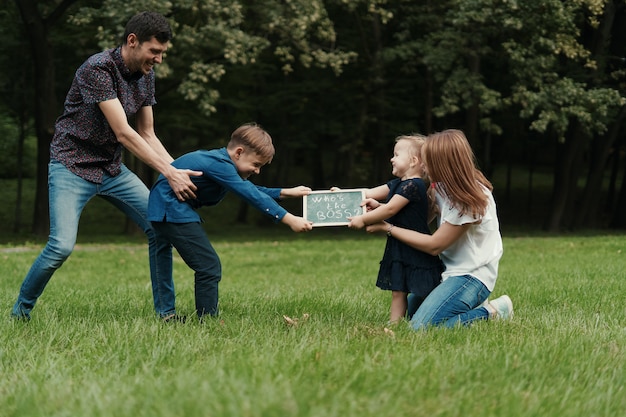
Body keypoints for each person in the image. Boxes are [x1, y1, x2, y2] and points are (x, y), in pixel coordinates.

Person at [11, 11, 201, 321]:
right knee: (60, 247)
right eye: (154, 51)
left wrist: (179, 171)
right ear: (132, 41)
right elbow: (124, 133)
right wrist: (169, 174)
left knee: (159, 228)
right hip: (71, 165)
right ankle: (20, 312)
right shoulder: (97, 69)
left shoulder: (146, 75)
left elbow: (147, 133)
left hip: (111, 170)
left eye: (162, 53)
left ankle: (166, 314)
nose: (159, 60)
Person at [147, 123, 313, 321]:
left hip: (161, 208)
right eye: (256, 165)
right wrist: (289, 218)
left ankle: (167, 315)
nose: (257, 171)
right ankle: (207, 319)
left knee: (162, 258)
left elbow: (247, 188)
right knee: (208, 266)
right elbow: (249, 194)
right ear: (239, 152)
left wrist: (285, 192)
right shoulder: (219, 164)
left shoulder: (221, 163)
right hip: (171, 209)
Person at [365, 129, 513, 329]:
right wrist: (381, 209)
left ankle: (493, 312)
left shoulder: (469, 199)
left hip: (472, 276)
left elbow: (434, 246)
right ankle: (460, 306)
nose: (422, 165)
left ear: (441, 163)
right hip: (445, 271)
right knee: (408, 318)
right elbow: (418, 221)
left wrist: (387, 227)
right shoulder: (439, 188)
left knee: (419, 328)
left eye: (426, 161)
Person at [345, 135, 443, 324]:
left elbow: (391, 209)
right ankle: (394, 325)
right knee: (398, 290)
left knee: (425, 287)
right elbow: (373, 195)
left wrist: (362, 219)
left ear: (413, 161)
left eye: (396, 155)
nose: (392, 158)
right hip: (400, 245)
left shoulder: (413, 186)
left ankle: (446, 306)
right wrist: (342, 195)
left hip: (415, 246)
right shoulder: (398, 184)